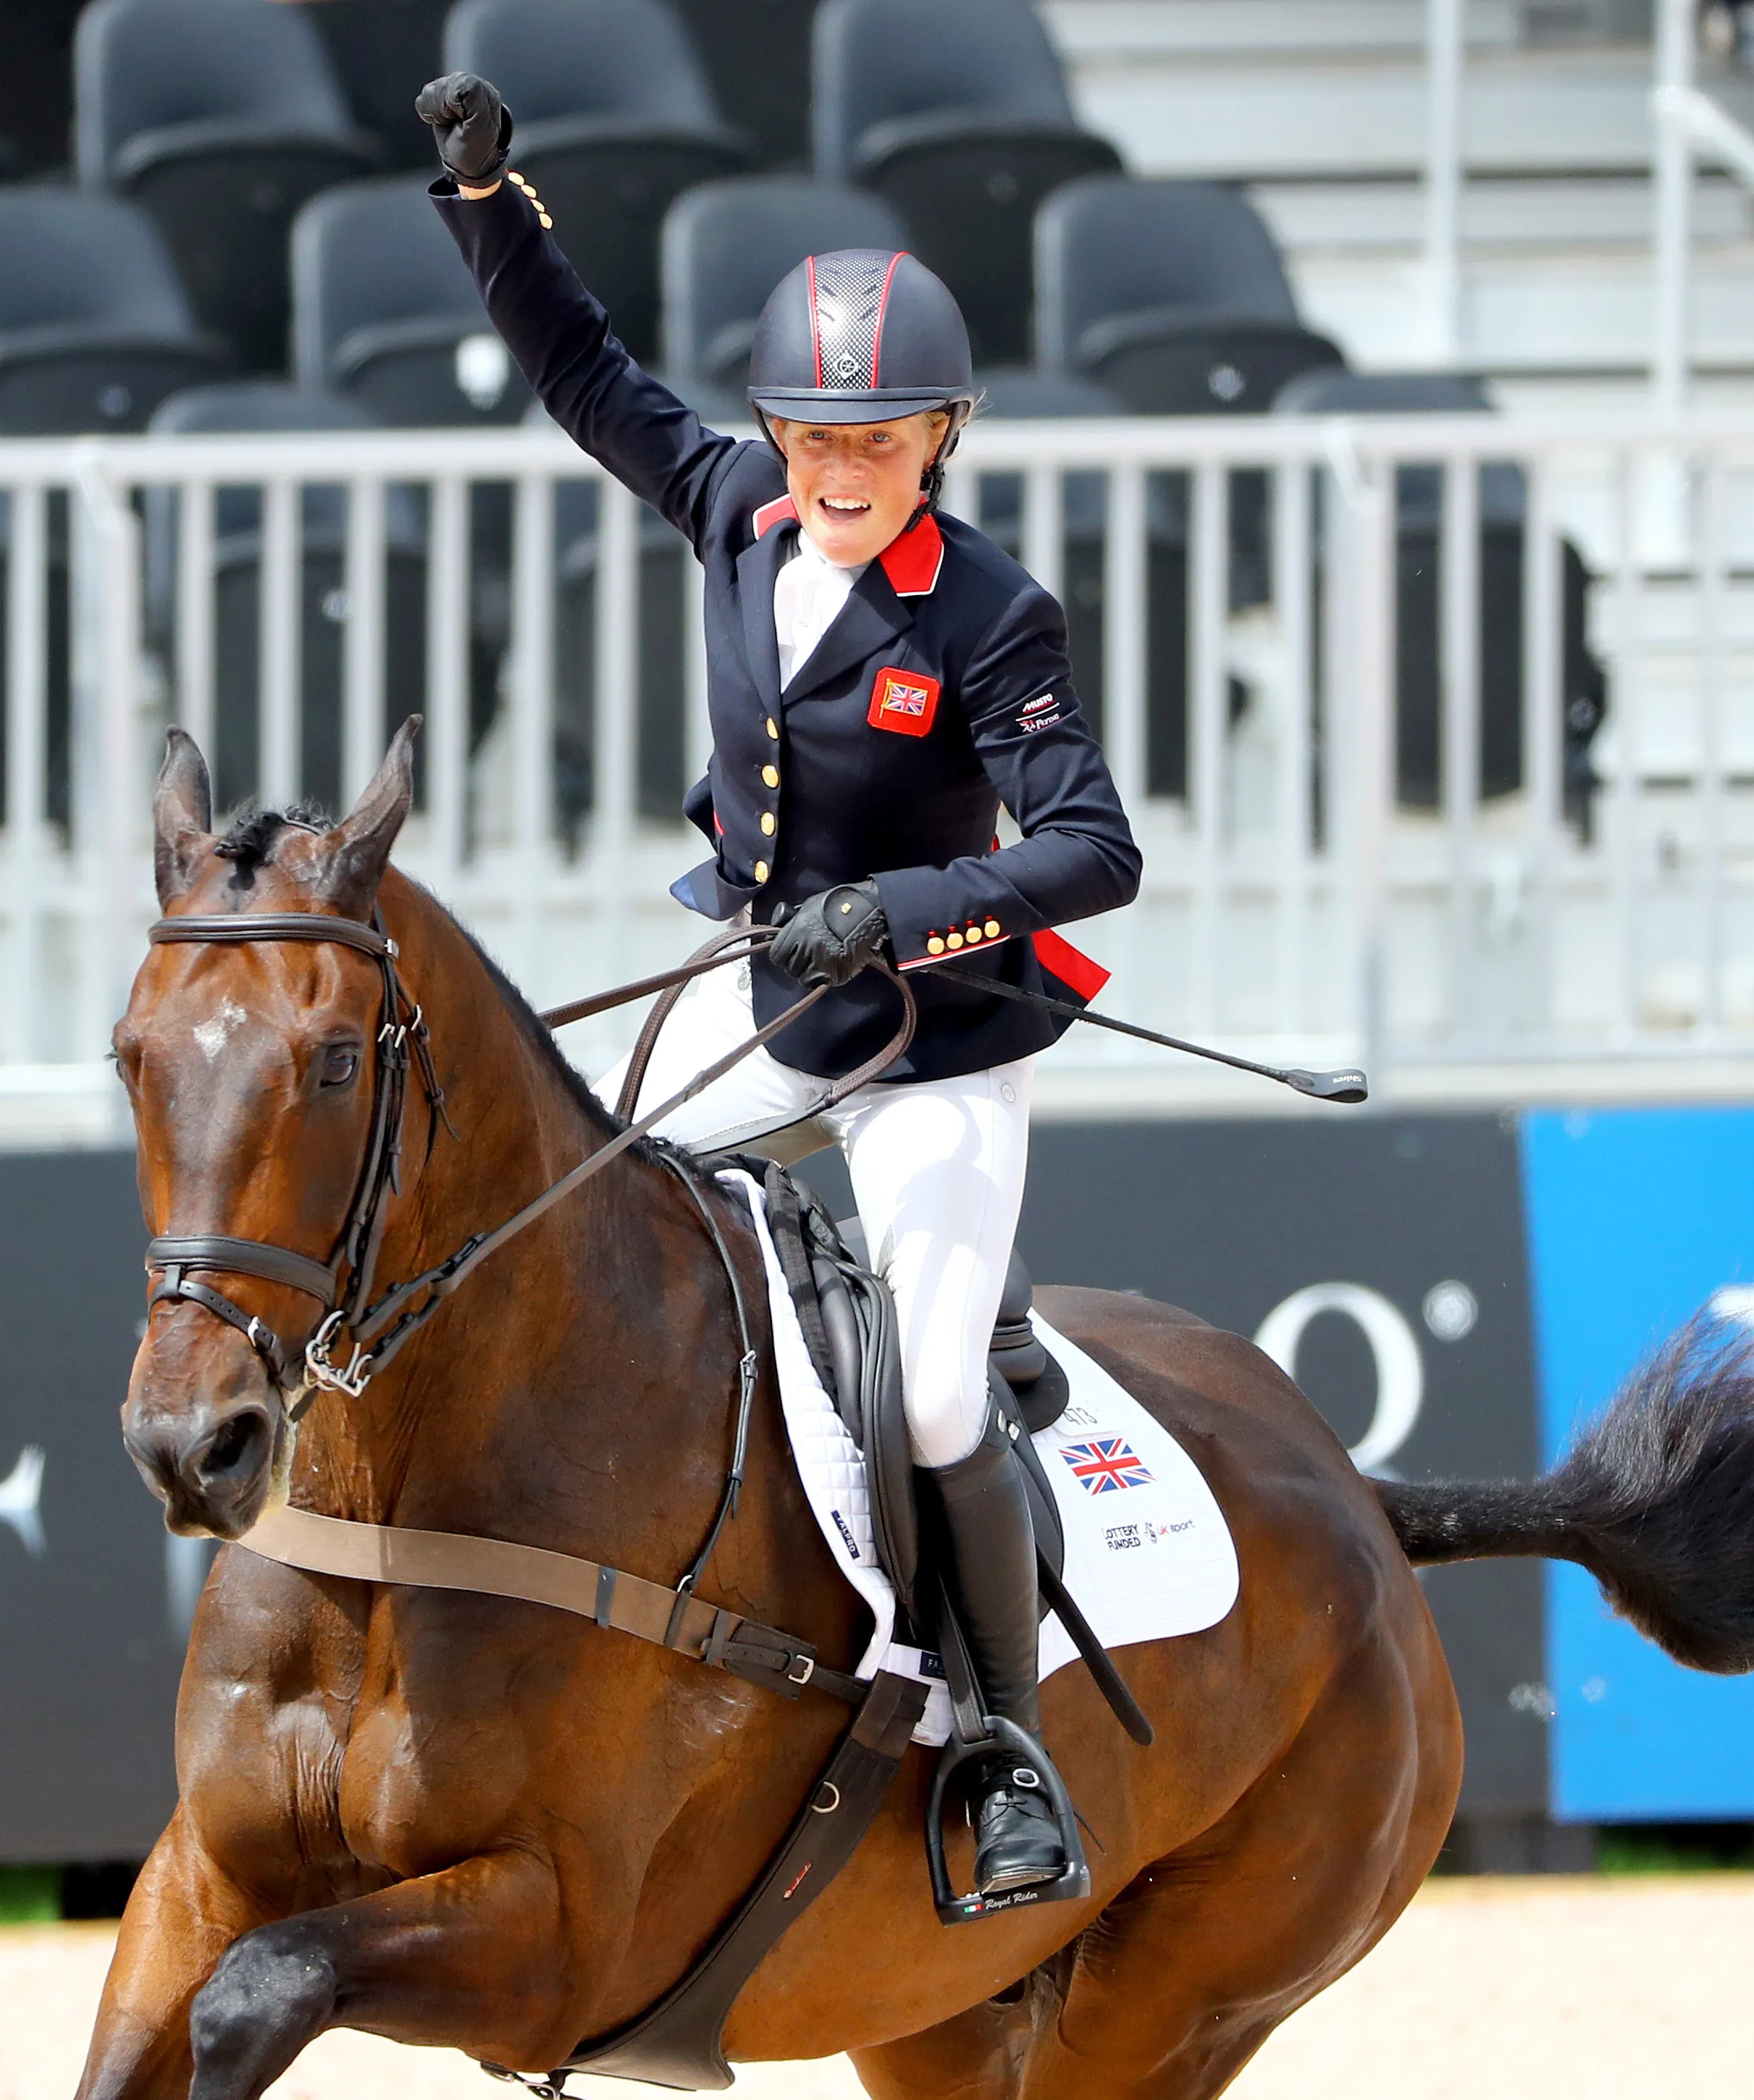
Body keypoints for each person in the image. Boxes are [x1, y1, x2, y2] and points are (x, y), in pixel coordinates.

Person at [418, 70, 1140, 1895]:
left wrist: (898, 911)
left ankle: (1000, 1745)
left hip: (931, 1043)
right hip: (764, 996)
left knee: (928, 1402)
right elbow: (588, 379)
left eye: (877, 445)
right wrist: (493, 206)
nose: (837, 474)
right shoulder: (738, 509)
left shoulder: (989, 615)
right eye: (815, 440)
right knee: (566, 1216)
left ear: (941, 441)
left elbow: (1092, 849)